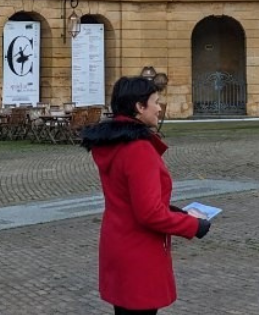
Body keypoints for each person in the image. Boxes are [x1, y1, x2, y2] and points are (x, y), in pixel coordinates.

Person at [80, 76, 211, 315]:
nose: (159, 108)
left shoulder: (114, 143)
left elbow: (131, 198)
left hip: (118, 244)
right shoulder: (138, 149)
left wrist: (174, 211)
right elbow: (149, 213)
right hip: (139, 253)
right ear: (140, 107)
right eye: (155, 102)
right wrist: (193, 225)